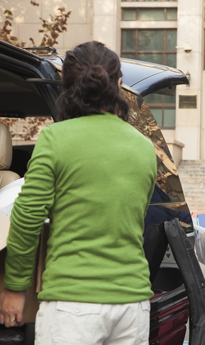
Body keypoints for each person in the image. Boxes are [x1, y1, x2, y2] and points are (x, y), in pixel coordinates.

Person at [0, 41, 157, 345]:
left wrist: (15, 286)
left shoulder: (55, 139)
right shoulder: (144, 146)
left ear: (67, 87)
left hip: (72, 304)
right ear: (120, 85)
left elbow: (28, 217)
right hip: (133, 303)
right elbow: (134, 216)